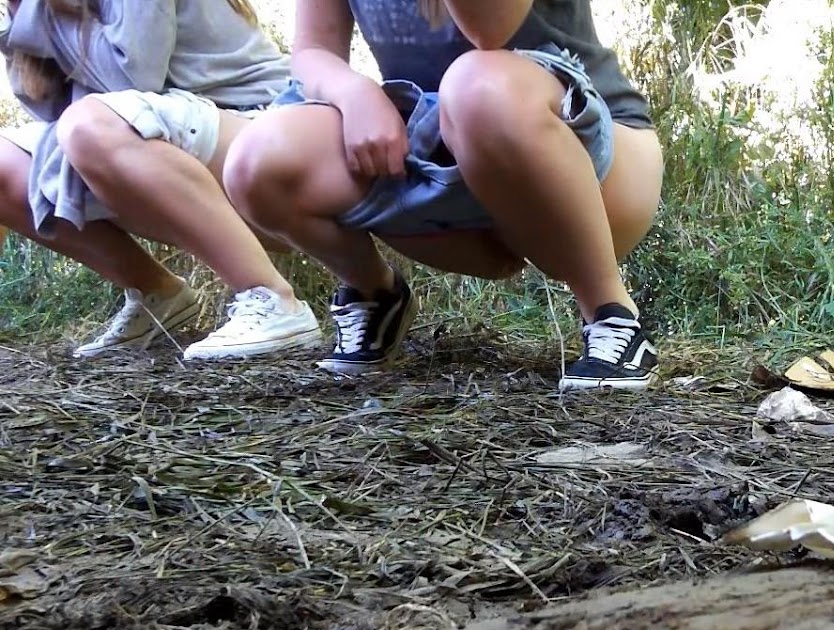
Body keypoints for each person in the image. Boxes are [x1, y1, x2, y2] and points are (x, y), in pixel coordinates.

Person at [224, 0, 664, 390]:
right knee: (255, 163)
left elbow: (489, 31)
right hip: (441, 145)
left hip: (589, 157)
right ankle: (376, 293)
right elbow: (314, 49)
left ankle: (609, 310)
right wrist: (355, 94)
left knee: (477, 87)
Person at [0, 0, 323, 359]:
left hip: (271, 137)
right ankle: (158, 294)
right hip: (191, 141)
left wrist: (34, 13)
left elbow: (129, 82)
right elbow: (48, 108)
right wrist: (16, 23)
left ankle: (272, 299)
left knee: (89, 124)